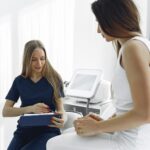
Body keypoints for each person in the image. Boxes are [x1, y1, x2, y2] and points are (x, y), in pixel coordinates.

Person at [46, 0, 150, 150]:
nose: (97, 30)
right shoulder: (136, 46)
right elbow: (128, 107)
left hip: (130, 143)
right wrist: (102, 123)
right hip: (124, 135)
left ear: (113, 19)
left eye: (99, 22)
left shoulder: (132, 48)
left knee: (52, 144)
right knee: (69, 131)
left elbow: (145, 113)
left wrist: (98, 127)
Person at [2, 40, 66, 150]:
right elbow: (5, 111)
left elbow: (61, 110)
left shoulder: (54, 79)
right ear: (27, 60)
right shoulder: (19, 81)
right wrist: (30, 109)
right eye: (34, 60)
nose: (39, 63)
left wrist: (62, 120)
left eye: (42, 58)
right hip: (23, 131)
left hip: (47, 131)